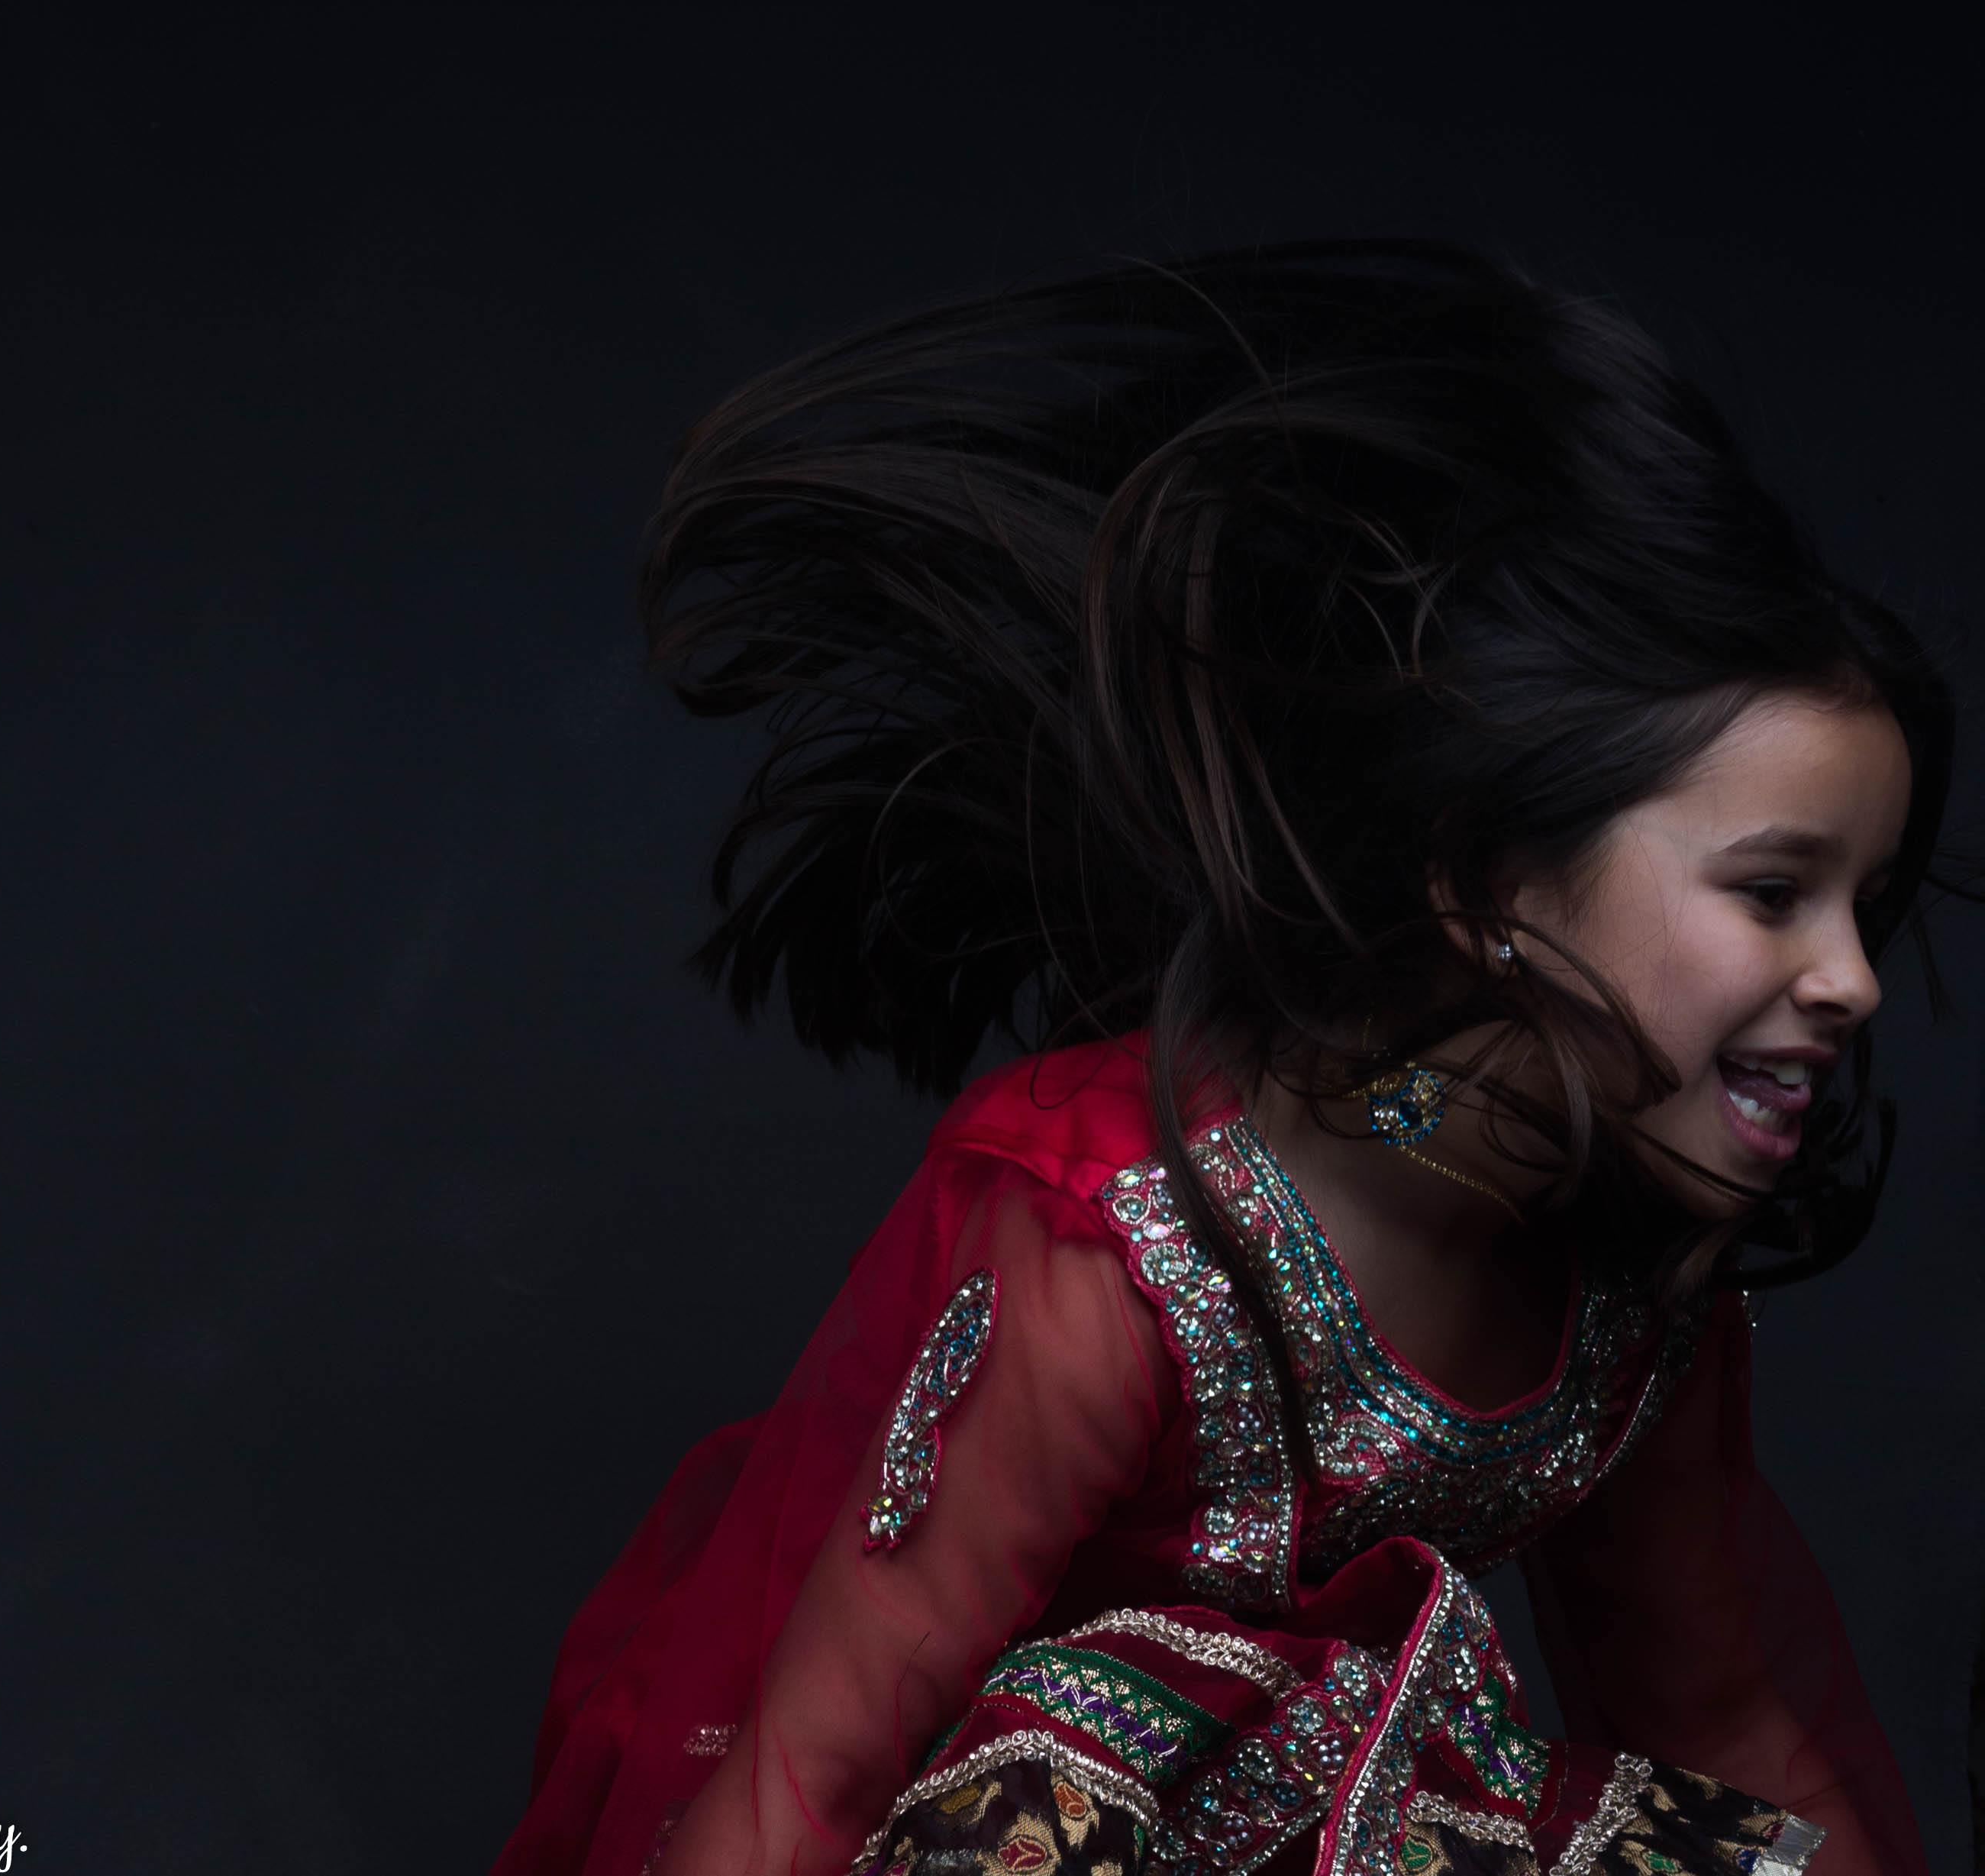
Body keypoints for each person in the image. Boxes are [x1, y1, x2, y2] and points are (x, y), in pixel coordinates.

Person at [494, 244, 1949, 1876]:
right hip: (989, 1836)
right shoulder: (1111, 1243)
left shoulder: (1635, 1282)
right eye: (1774, 892)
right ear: (1491, 886)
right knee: (1109, 1719)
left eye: (1865, 904)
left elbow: (1721, 1710)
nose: (1849, 980)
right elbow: (816, 1764)